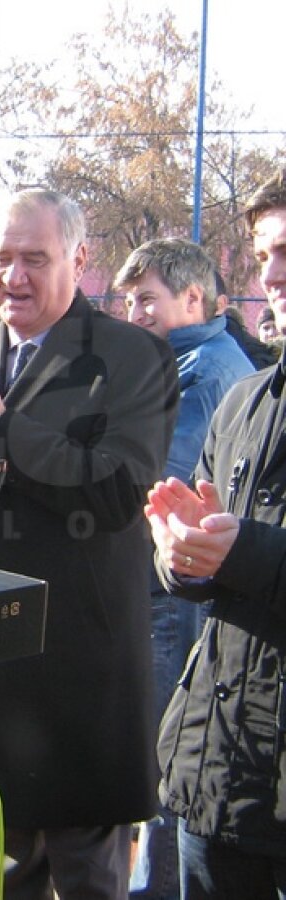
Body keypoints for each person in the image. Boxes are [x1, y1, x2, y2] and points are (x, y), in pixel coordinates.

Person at [0, 189, 179, 898]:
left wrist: (0, 426)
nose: (13, 277)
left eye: (34, 258)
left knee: (89, 881)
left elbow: (118, 491)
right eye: (1, 259)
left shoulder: (133, 355)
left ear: (80, 260)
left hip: (79, 676)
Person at [145, 168, 286, 899]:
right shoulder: (244, 401)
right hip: (219, 778)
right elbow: (201, 565)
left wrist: (247, 552)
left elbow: (252, 554)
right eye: (265, 252)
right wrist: (183, 554)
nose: (273, 272)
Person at [115, 238, 254, 898]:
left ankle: (155, 887)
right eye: (128, 300)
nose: (134, 313)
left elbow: (164, 481)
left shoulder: (201, 370)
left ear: (192, 298)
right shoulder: (191, 361)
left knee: (167, 748)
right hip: (173, 585)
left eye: (148, 299)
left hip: (172, 589)